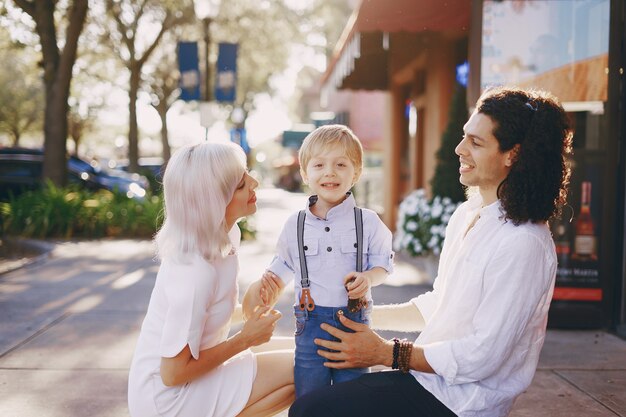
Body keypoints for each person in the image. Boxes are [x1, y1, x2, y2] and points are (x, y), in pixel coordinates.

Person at [288, 86, 573, 417]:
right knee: (302, 385)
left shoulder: (524, 243)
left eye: (476, 143)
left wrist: (385, 353)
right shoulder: (468, 214)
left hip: (463, 404)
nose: (459, 148)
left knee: (312, 411)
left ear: (513, 154)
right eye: (465, 136)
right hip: (427, 382)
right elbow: (440, 304)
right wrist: (350, 318)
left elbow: (482, 356)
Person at [127, 141, 294, 417]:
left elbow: (206, 319)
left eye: (247, 174)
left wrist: (248, 308)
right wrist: (244, 339)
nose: (255, 183)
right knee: (308, 366)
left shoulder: (227, 237)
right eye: (241, 184)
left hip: (188, 381)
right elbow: (172, 372)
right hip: (167, 400)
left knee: (311, 352)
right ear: (215, 199)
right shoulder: (194, 272)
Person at [244, 124, 395, 398]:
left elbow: (383, 265)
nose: (330, 172)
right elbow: (283, 266)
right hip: (309, 325)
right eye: (319, 165)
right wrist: (267, 286)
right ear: (305, 173)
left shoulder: (368, 222)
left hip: (353, 325)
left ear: (356, 172)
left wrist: (369, 278)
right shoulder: (295, 225)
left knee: (354, 397)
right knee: (308, 397)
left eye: (340, 164)